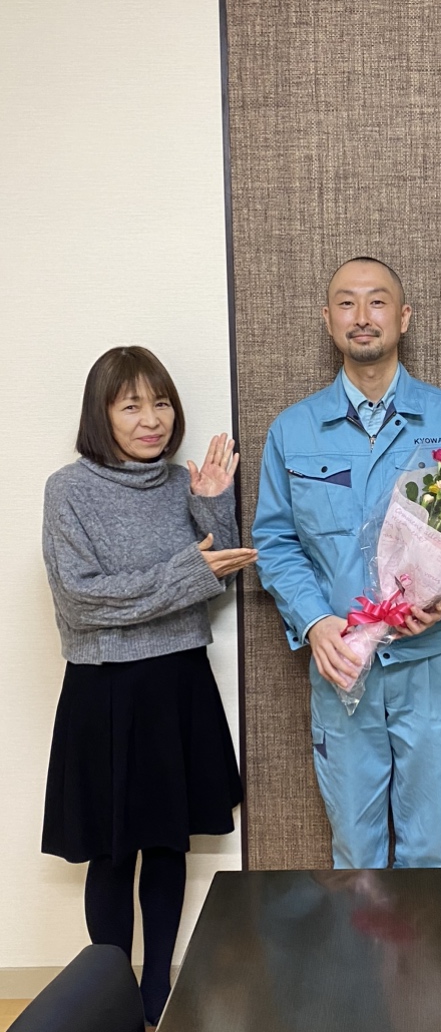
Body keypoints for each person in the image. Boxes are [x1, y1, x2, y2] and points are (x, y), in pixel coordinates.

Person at [253, 257, 441, 869]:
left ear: (403, 317)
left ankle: (423, 942)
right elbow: (275, 542)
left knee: (428, 852)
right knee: (356, 855)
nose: (362, 316)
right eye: (346, 303)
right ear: (328, 319)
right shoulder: (293, 430)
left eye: (378, 301)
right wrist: (314, 623)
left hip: (429, 663)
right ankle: (360, 942)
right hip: (342, 664)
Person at [41, 346, 257, 1028]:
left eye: (160, 402)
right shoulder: (68, 490)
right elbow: (81, 600)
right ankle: (112, 997)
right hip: (104, 690)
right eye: (131, 405)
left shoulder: (181, 484)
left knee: (168, 844)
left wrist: (212, 503)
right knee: (112, 854)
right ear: (100, 414)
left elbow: (220, 573)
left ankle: (158, 991)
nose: (152, 419)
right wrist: (184, 575)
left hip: (178, 682)